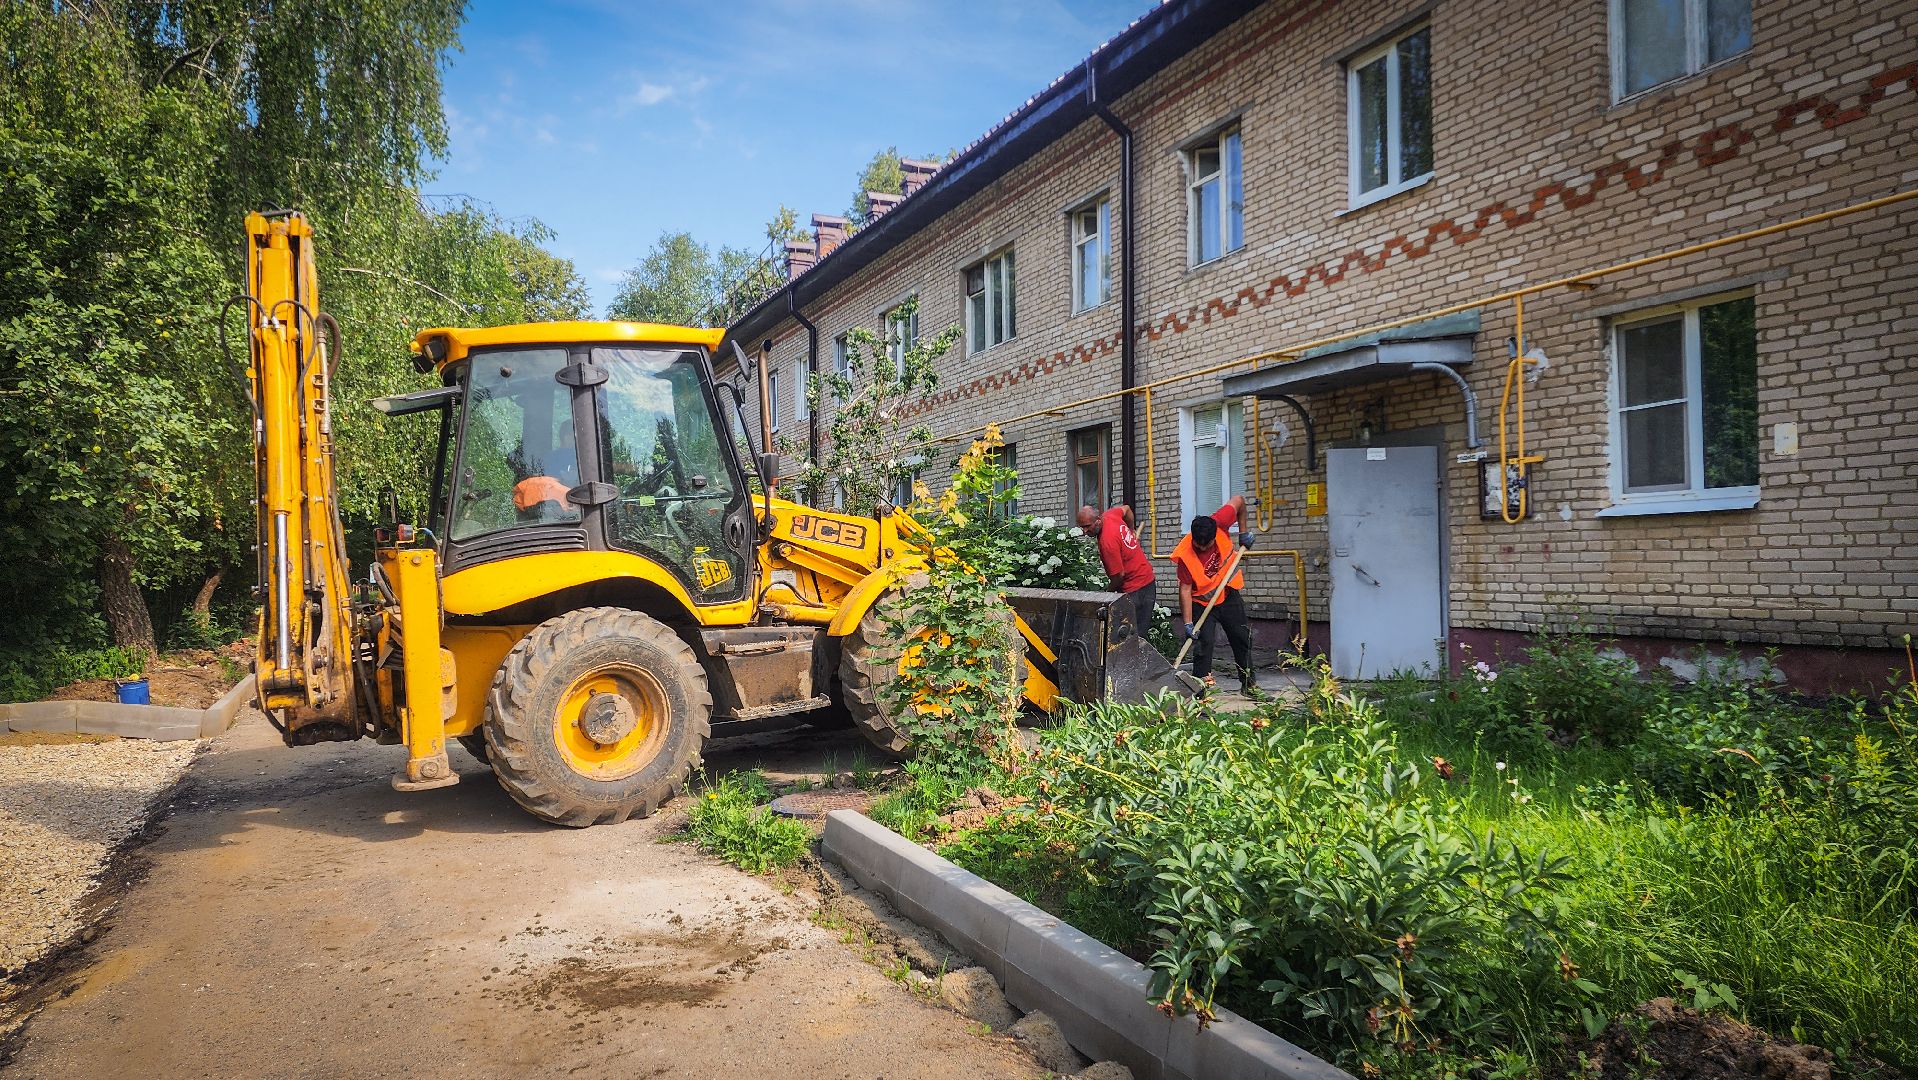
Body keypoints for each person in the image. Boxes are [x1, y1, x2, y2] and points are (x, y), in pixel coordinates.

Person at [1170, 494, 1257, 695]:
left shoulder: (1219, 522)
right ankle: (1201, 695)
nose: (1201, 549)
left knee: (1242, 638)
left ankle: (1249, 686)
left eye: (1206, 546)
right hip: (1202, 604)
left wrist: (1244, 532)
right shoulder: (1185, 555)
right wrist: (1188, 623)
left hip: (1228, 595)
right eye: (1198, 546)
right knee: (1203, 646)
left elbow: (1239, 501)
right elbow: (1184, 589)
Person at [1077, 502, 1157, 637]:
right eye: (1082, 527)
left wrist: (1108, 593)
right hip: (1148, 582)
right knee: (1138, 634)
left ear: (1097, 521)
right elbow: (1127, 509)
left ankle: (1134, 657)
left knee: (1129, 637)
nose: (1084, 531)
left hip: (1135, 592)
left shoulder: (1107, 542)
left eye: (1087, 526)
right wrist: (1131, 531)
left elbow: (1119, 576)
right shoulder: (1110, 515)